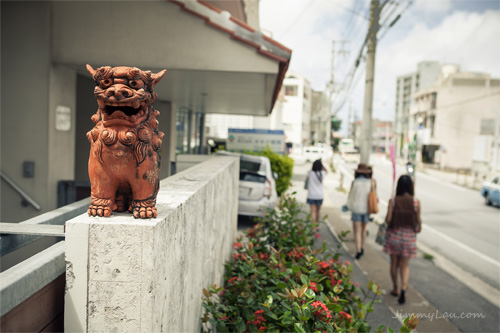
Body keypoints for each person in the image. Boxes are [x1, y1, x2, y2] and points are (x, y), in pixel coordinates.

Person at [383, 175, 422, 304]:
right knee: (404, 266)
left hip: (394, 236)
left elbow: (388, 220)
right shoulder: (416, 202)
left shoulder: (393, 201)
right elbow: (418, 223)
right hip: (408, 238)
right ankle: (404, 288)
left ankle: (396, 288)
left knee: (394, 264)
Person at [347, 163, 375, 259]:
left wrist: (348, 206)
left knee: (357, 231)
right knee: (364, 230)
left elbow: (350, 196)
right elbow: (374, 196)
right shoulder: (371, 182)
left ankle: (358, 250)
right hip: (367, 209)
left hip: (356, 209)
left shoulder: (355, 182)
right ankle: (362, 246)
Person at [306, 159, 327, 224]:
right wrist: (322, 165)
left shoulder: (309, 173)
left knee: (313, 212)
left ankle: (314, 226)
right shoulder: (322, 174)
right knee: (318, 211)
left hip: (311, 195)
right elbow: (327, 171)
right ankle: (317, 225)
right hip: (319, 195)